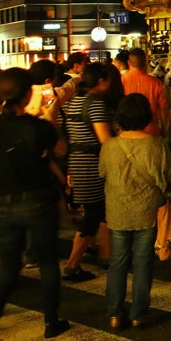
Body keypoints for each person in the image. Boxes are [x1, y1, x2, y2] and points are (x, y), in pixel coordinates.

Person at [0, 68, 69, 340]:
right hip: (38, 201)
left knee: (7, 267)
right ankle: (51, 321)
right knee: (49, 263)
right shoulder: (36, 127)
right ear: (28, 93)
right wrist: (48, 116)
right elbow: (61, 149)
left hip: (2, 203)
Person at [99, 94, 170, 330]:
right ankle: (139, 313)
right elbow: (166, 177)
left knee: (117, 262)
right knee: (142, 262)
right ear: (145, 116)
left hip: (118, 210)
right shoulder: (156, 144)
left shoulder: (109, 146)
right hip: (147, 210)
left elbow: (103, 173)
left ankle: (115, 314)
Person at [61, 63, 114, 281]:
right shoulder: (95, 104)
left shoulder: (72, 102)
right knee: (93, 213)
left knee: (96, 211)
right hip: (92, 163)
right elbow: (104, 140)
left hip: (76, 161)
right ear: (101, 81)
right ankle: (72, 264)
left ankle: (104, 254)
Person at [121, 48, 168, 137]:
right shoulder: (155, 83)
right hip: (151, 132)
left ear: (128, 63)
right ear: (145, 63)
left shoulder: (121, 81)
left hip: (128, 134)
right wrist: (164, 130)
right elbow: (163, 110)